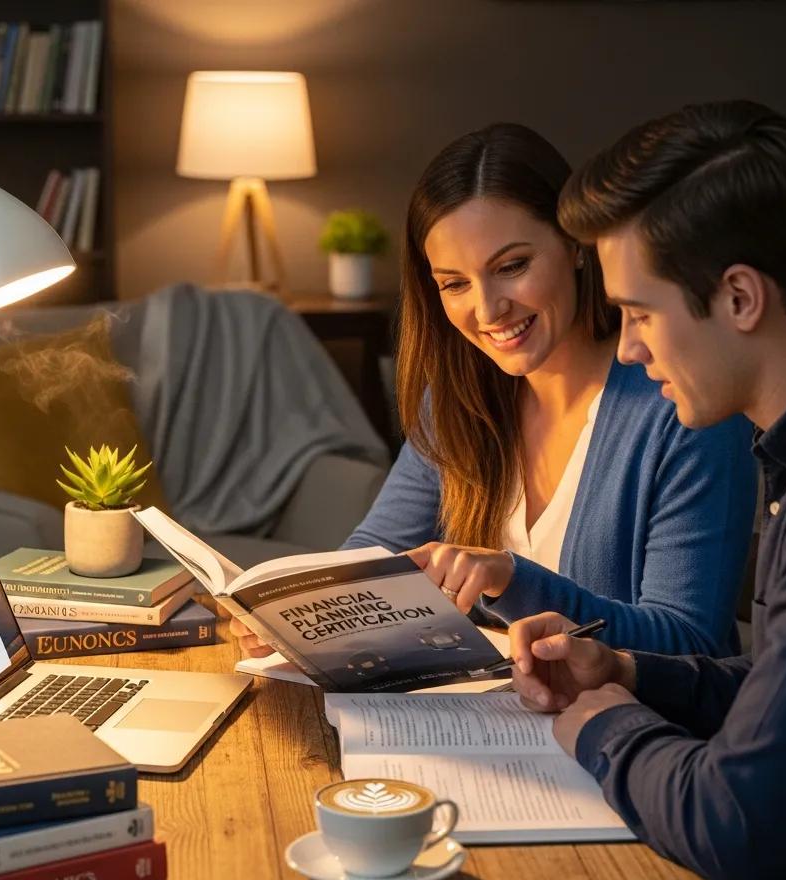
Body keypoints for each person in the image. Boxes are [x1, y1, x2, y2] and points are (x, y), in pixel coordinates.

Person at [466, 101, 786, 880]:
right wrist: (630, 671)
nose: (630, 346)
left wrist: (599, 721)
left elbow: (737, 822)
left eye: (639, 312)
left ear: (740, 297)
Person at [233, 123, 756, 665]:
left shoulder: (686, 405)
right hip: (495, 724)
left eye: (511, 267)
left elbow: (689, 643)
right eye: (455, 283)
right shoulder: (458, 397)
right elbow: (377, 551)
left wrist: (511, 579)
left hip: (639, 737)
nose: (487, 311)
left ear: (576, 247)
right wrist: (297, 612)